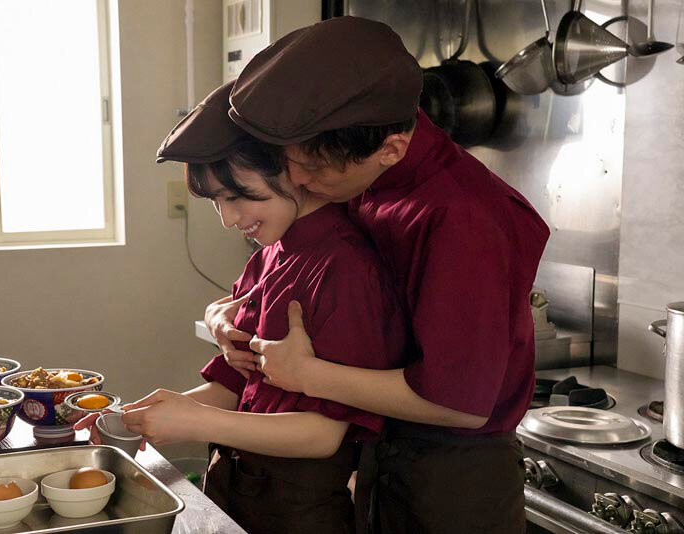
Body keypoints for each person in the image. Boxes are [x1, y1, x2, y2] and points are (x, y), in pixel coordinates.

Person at [203, 16, 551, 534]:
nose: (297, 181)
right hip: (379, 456)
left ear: (390, 148)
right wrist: (227, 316)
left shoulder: (466, 218)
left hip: (451, 480)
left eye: (314, 171)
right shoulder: (361, 174)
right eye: (292, 164)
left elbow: (459, 407)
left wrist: (307, 375)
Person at [76, 81, 406, 534]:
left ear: (295, 168)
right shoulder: (268, 256)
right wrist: (140, 418)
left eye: (238, 196)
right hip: (236, 487)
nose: (229, 219)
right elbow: (237, 384)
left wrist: (196, 421)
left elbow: (322, 435)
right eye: (216, 200)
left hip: (300, 510)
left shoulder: (346, 268)